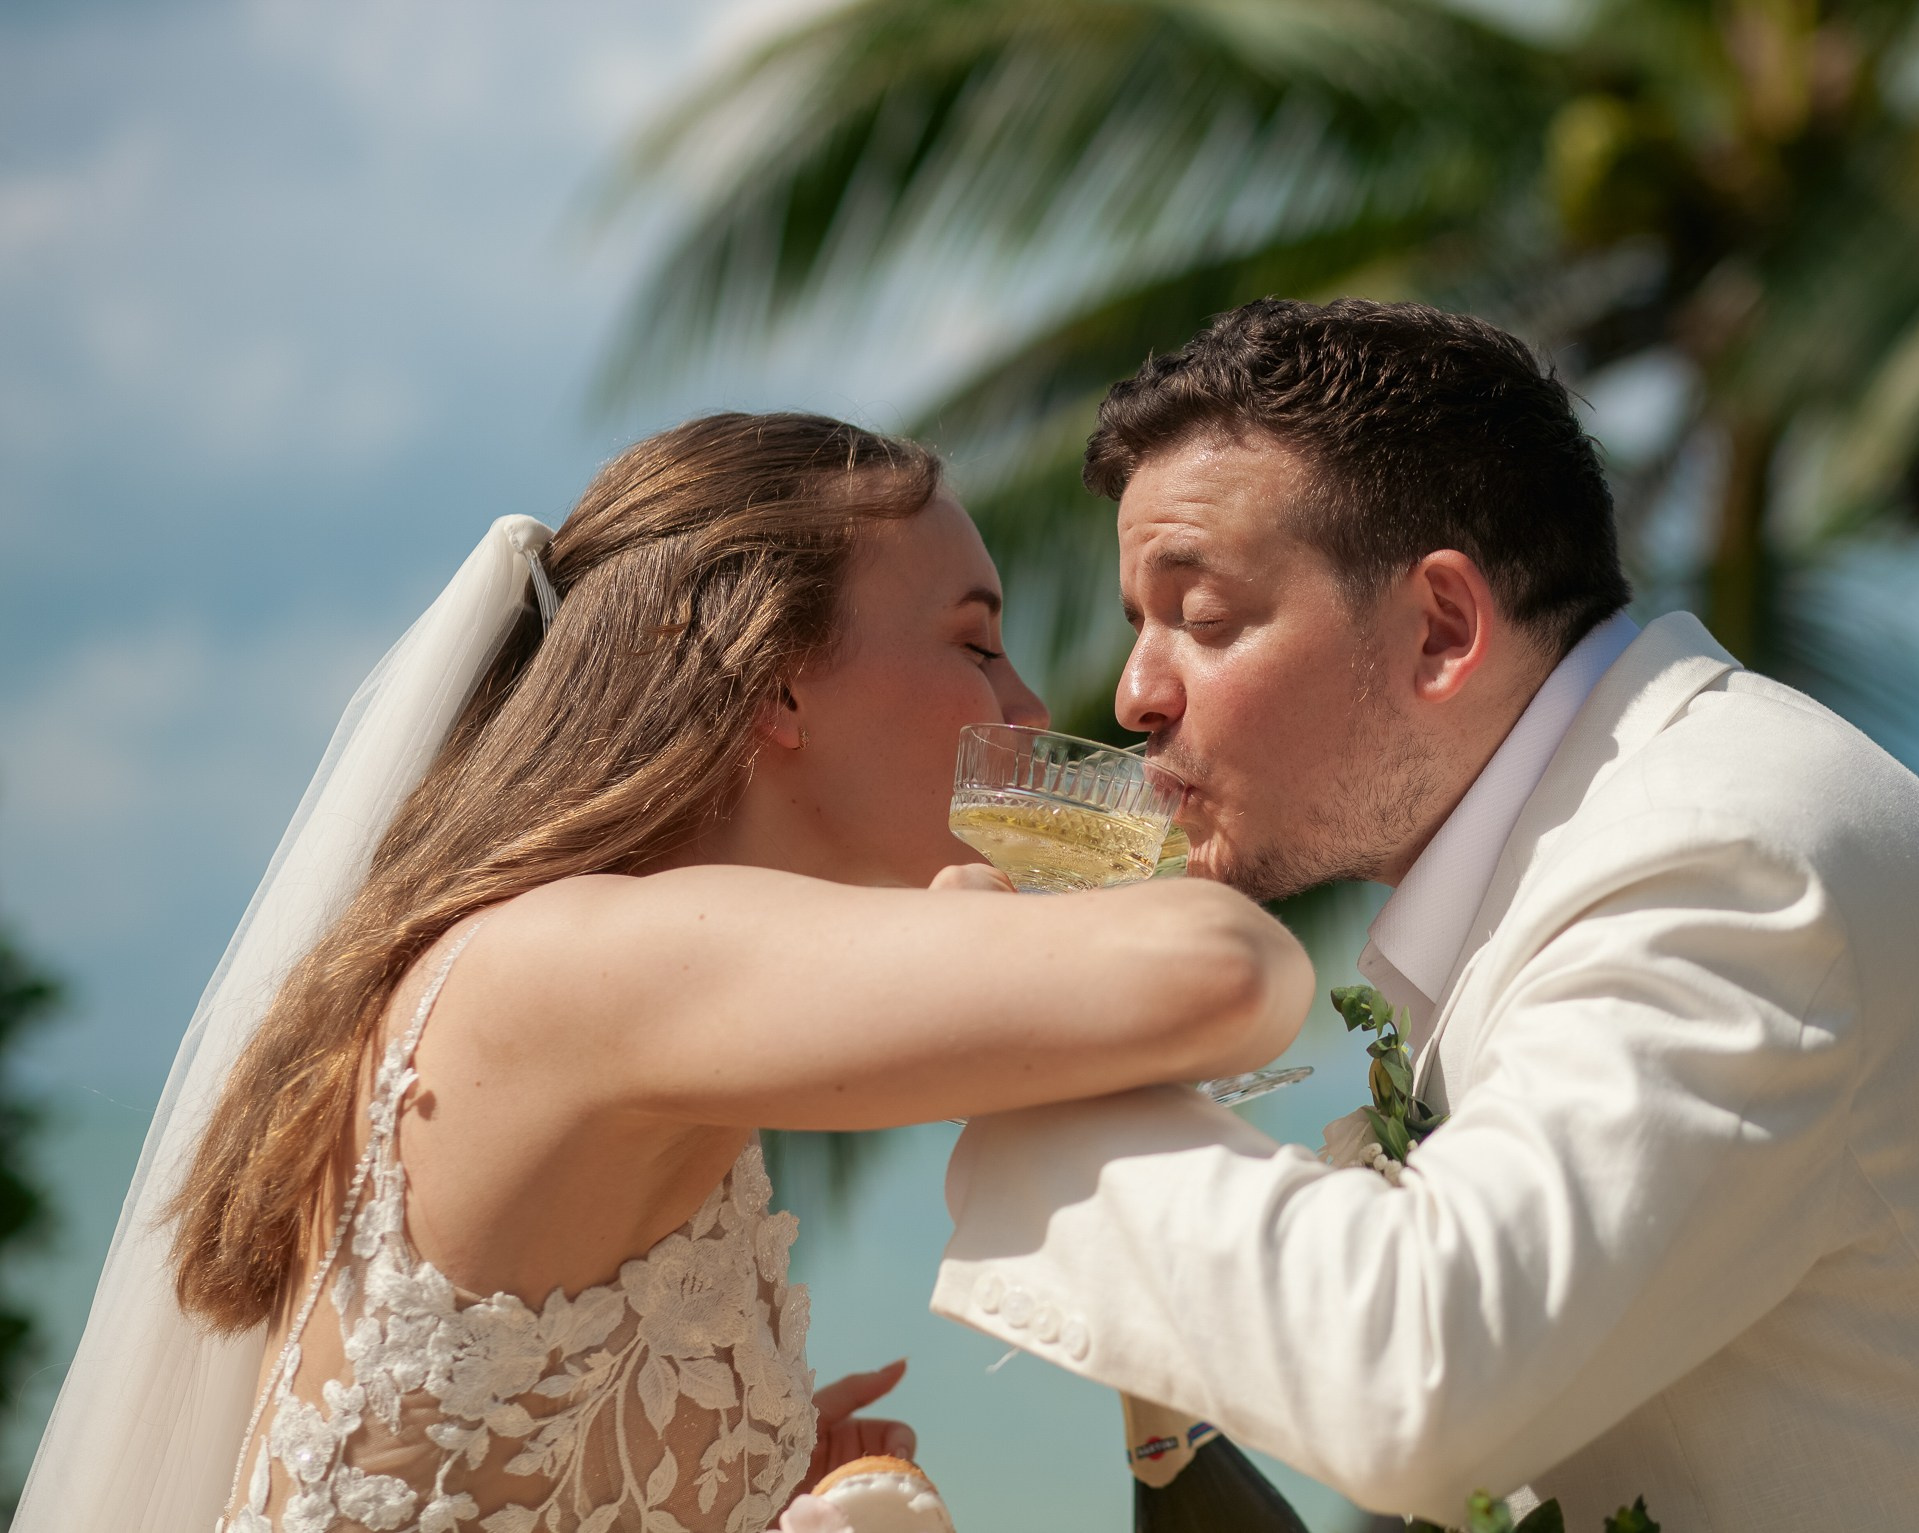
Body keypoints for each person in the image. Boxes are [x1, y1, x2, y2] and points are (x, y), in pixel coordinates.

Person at [928, 300, 1919, 1532]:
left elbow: (1428, 1374)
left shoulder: (1720, 855)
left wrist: (1020, 1019)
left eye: (1203, 617)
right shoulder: (1615, 826)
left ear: (1441, 625)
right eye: (1141, 623)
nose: (1140, 689)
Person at [16, 412, 1313, 1533]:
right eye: (975, 642)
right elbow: (1232, 970)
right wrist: (999, 914)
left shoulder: (621, 981)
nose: (1029, 705)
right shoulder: (583, 958)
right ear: (777, 675)